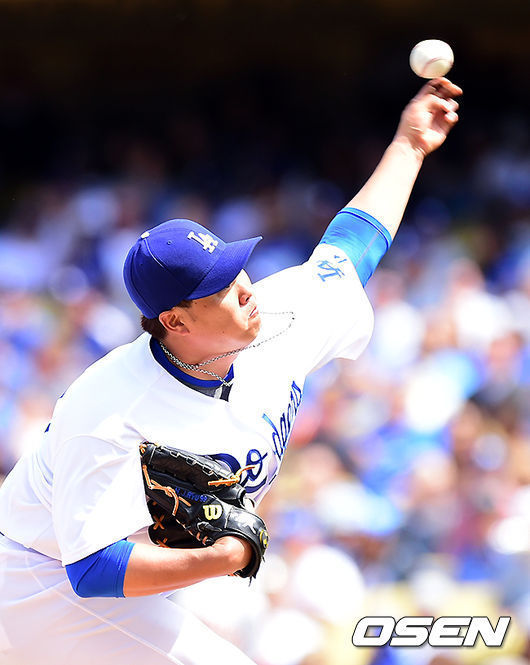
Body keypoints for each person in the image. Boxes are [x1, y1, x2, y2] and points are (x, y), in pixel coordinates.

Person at [0, 78, 462, 664]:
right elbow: (92, 568)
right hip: (37, 580)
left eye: (235, 265)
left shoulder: (277, 320)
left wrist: (409, 145)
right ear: (175, 320)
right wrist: (222, 557)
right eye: (217, 285)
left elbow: (353, 247)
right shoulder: (111, 408)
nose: (244, 287)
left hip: (130, 578)